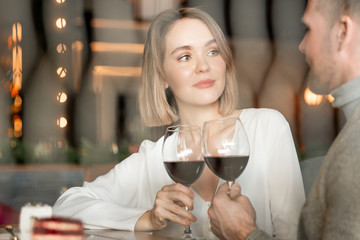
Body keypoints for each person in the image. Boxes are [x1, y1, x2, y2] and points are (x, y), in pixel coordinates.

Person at [53, 7, 305, 239]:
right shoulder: (154, 158)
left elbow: (294, 233)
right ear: (162, 75)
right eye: (185, 57)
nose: (203, 66)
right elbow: (66, 207)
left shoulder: (267, 128)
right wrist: (147, 218)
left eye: (212, 51)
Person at [208, 0, 360, 239]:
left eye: (309, 30)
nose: (302, 45)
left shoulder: (354, 152)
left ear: (342, 32)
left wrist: (243, 232)